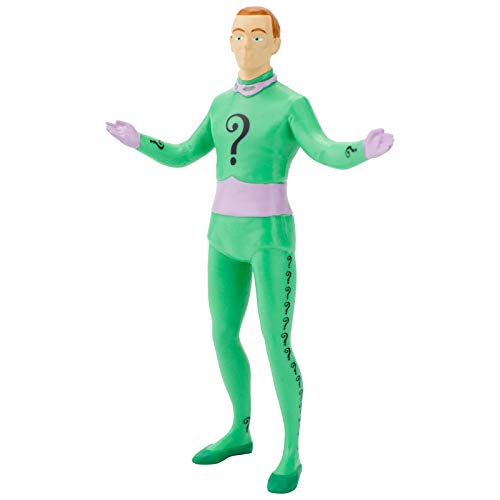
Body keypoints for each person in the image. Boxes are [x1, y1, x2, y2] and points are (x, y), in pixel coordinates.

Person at [106, 5, 394, 494]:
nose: (246, 44)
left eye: (258, 36)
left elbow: (323, 149)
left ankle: (291, 451)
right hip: (221, 235)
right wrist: (139, 142)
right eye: (238, 35)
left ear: (276, 44)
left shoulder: (292, 104)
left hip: (269, 238)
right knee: (222, 333)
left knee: (276, 342)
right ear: (229, 41)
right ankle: (239, 430)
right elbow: (184, 152)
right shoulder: (220, 104)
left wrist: (360, 151)